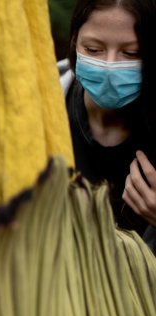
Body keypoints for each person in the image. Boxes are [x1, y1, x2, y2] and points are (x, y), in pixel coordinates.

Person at [57, 0, 156, 241]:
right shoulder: (36, 107)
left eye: (131, 53)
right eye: (93, 49)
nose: (110, 65)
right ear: (74, 43)